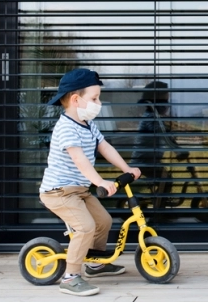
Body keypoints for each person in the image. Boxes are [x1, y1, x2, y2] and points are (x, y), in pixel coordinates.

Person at [39, 68, 142, 296]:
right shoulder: (66, 127)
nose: (99, 102)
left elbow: (105, 148)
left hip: (79, 191)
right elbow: (79, 159)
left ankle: (94, 264)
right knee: (85, 227)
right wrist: (99, 182)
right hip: (59, 192)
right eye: (94, 98)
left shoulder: (88, 124)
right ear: (76, 100)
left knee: (103, 221)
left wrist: (127, 169)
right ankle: (70, 276)